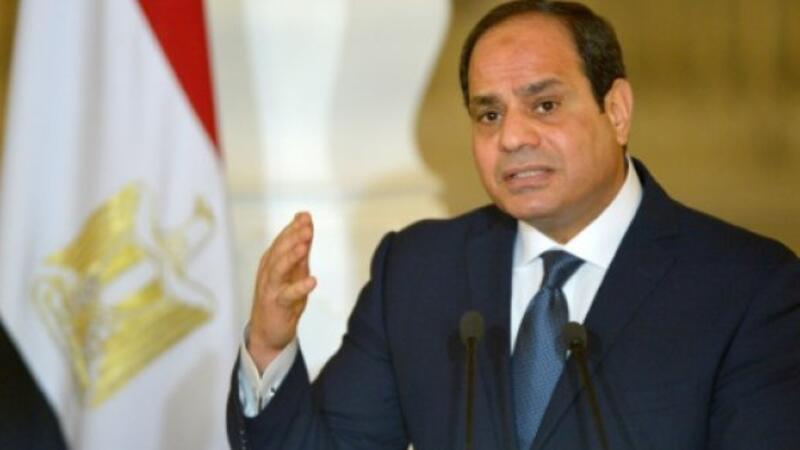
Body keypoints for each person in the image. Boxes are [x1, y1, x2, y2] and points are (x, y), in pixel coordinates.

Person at [227, 1, 800, 449]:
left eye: (544, 105)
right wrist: (269, 348)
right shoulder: (418, 272)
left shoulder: (749, 287)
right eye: (489, 114)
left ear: (617, 111)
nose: (513, 137)